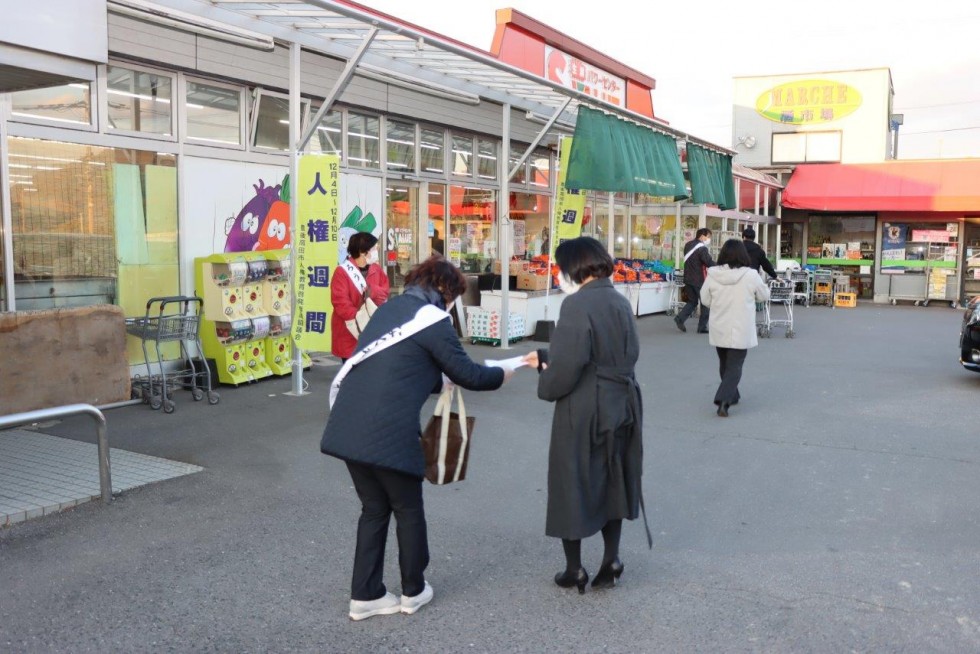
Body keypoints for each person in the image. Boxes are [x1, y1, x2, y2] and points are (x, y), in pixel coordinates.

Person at [321, 256, 528, 621]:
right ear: (446, 291)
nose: (452, 305)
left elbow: (404, 367)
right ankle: (413, 590)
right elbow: (472, 375)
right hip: (389, 433)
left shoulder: (391, 310)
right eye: (454, 297)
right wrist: (513, 367)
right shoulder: (434, 320)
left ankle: (365, 594)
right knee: (408, 508)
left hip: (348, 426)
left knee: (373, 509)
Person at [524, 237, 647, 594]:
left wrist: (546, 379)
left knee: (572, 480)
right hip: (622, 402)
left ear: (574, 266)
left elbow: (567, 369)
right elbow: (615, 351)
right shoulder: (620, 301)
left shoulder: (577, 304)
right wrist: (552, 355)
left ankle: (574, 568)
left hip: (586, 407)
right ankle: (612, 559)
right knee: (613, 478)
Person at [699, 239, 770, 418]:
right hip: (741, 325)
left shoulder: (713, 274)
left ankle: (733, 394)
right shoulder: (751, 275)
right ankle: (724, 401)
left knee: (724, 363)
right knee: (735, 365)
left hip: (719, 324)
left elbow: (705, 299)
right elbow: (763, 296)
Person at [331, 232, 390, 362]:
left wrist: (372, 291)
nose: (377, 251)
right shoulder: (342, 271)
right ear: (363, 252)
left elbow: (385, 293)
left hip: (372, 331)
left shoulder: (376, 269)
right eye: (374, 248)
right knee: (352, 376)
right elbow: (340, 302)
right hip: (350, 332)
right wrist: (361, 319)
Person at [674, 228, 715, 334]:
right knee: (705, 302)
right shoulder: (702, 248)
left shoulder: (688, 245)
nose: (709, 239)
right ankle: (702, 327)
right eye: (708, 236)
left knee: (692, 301)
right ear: (702, 236)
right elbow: (708, 262)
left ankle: (680, 318)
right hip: (698, 279)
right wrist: (720, 265)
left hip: (687, 277)